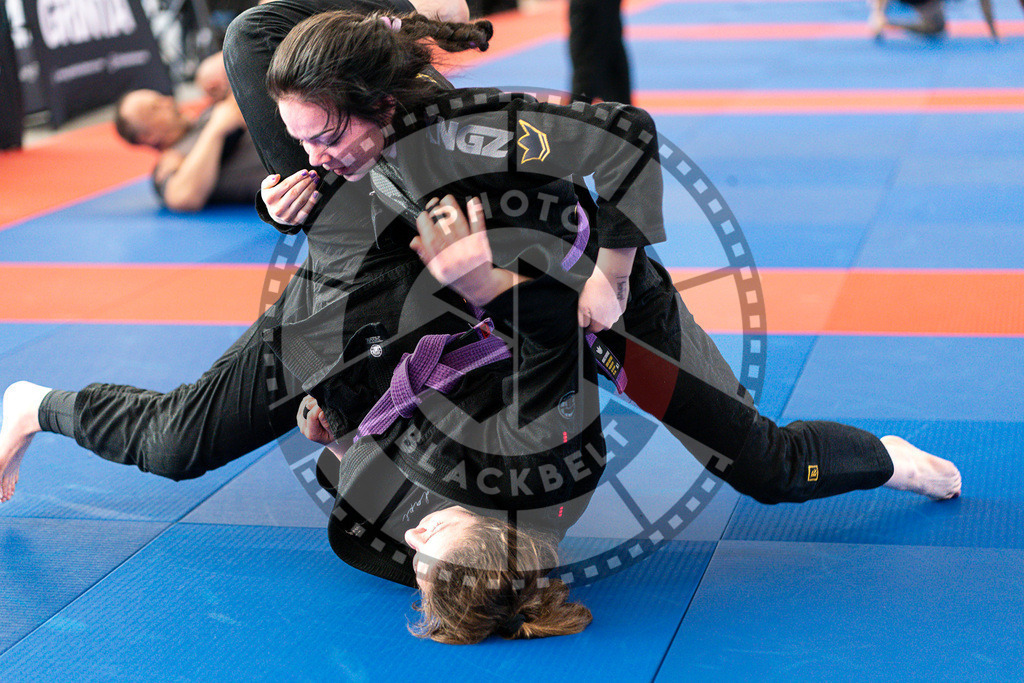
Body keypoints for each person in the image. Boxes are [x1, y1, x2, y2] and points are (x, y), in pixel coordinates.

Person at [113, 59, 268, 212]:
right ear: (147, 136)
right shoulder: (168, 165)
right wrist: (216, 130)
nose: (168, 101)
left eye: (161, 97)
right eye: (155, 107)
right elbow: (183, 196)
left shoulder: (205, 117)